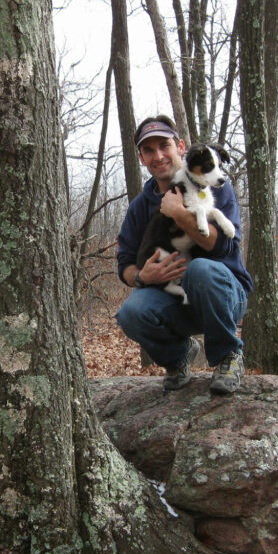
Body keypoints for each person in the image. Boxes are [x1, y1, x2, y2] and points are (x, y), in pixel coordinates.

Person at [115, 115, 253, 393]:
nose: (158, 156)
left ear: (180, 146)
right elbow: (125, 263)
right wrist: (142, 276)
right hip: (175, 299)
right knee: (131, 312)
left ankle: (229, 357)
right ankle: (178, 357)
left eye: (164, 145)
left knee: (201, 269)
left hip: (223, 296)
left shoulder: (211, 186)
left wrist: (178, 212)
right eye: (149, 150)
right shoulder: (140, 207)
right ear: (141, 157)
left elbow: (222, 245)